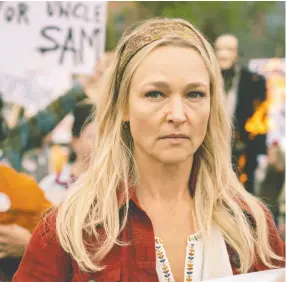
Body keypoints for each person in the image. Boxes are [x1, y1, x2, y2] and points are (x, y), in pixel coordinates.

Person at [14, 18, 284, 282]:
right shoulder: (69, 228)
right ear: (123, 107)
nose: (178, 115)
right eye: (155, 94)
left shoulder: (250, 224)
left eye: (195, 94)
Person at [214, 34, 267, 195]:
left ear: (237, 54)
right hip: (213, 145)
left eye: (229, 49)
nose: (223, 54)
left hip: (243, 146)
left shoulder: (253, 81)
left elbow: (260, 116)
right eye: (219, 49)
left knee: (244, 193)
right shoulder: (206, 79)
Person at [39, 103, 94, 205]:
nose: (102, 143)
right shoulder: (49, 187)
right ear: (75, 141)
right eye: (93, 137)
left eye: (107, 137)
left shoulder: (113, 189)